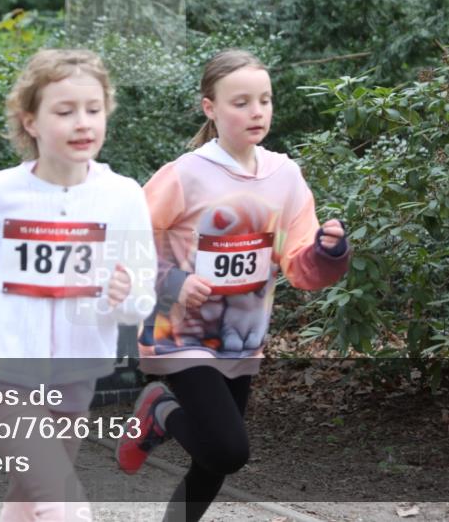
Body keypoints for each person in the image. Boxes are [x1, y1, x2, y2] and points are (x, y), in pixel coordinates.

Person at [0, 49, 157, 521]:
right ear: (31, 121)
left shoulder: (123, 195)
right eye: (65, 111)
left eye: (93, 109)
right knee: (61, 500)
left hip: (74, 378)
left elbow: (141, 293)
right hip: (3, 378)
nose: (82, 122)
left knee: (30, 499)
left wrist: (126, 293)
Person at [115, 49, 352, 522]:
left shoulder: (285, 176)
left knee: (212, 463)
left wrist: (329, 253)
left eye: (264, 100)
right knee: (228, 450)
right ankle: (159, 408)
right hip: (178, 333)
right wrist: (174, 280)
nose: (257, 111)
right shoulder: (185, 174)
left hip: (241, 337)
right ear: (210, 108)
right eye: (240, 102)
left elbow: (300, 264)